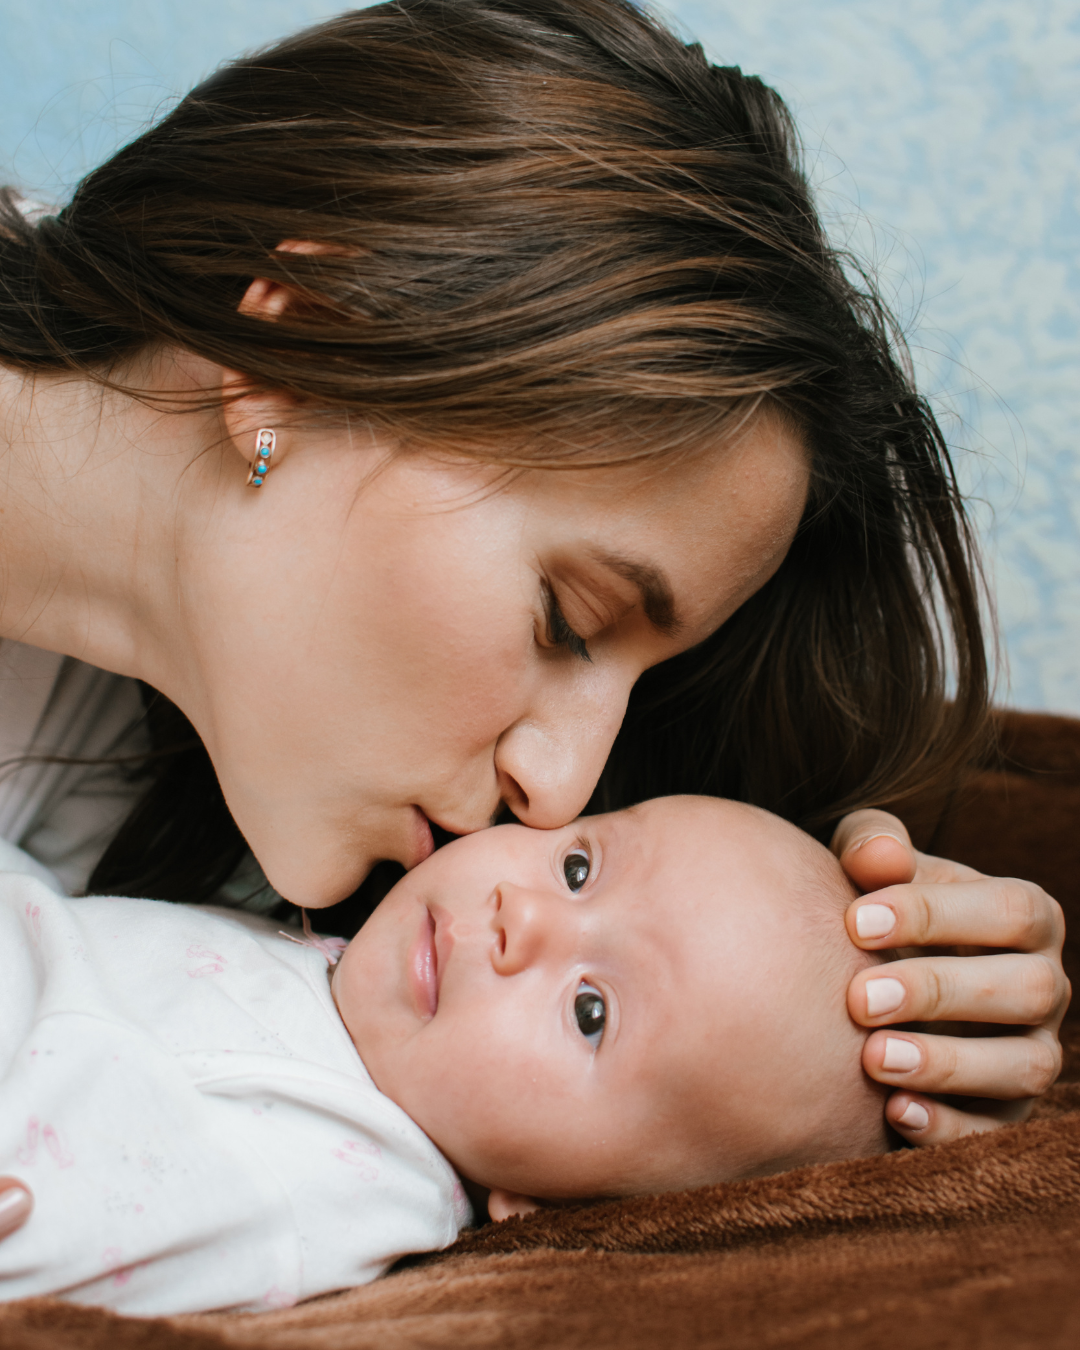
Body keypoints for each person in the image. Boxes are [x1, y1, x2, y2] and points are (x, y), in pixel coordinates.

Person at [0, 0, 1066, 1247]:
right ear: (304, 335)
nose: (559, 790)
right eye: (569, 618)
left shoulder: (182, 793)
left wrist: (877, 1022)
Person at [2, 798, 901, 1315]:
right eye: (579, 870)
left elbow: (52, 1214)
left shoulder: (303, 1180)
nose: (525, 916)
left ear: (542, 1203)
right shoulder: (329, 971)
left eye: (590, 1011)